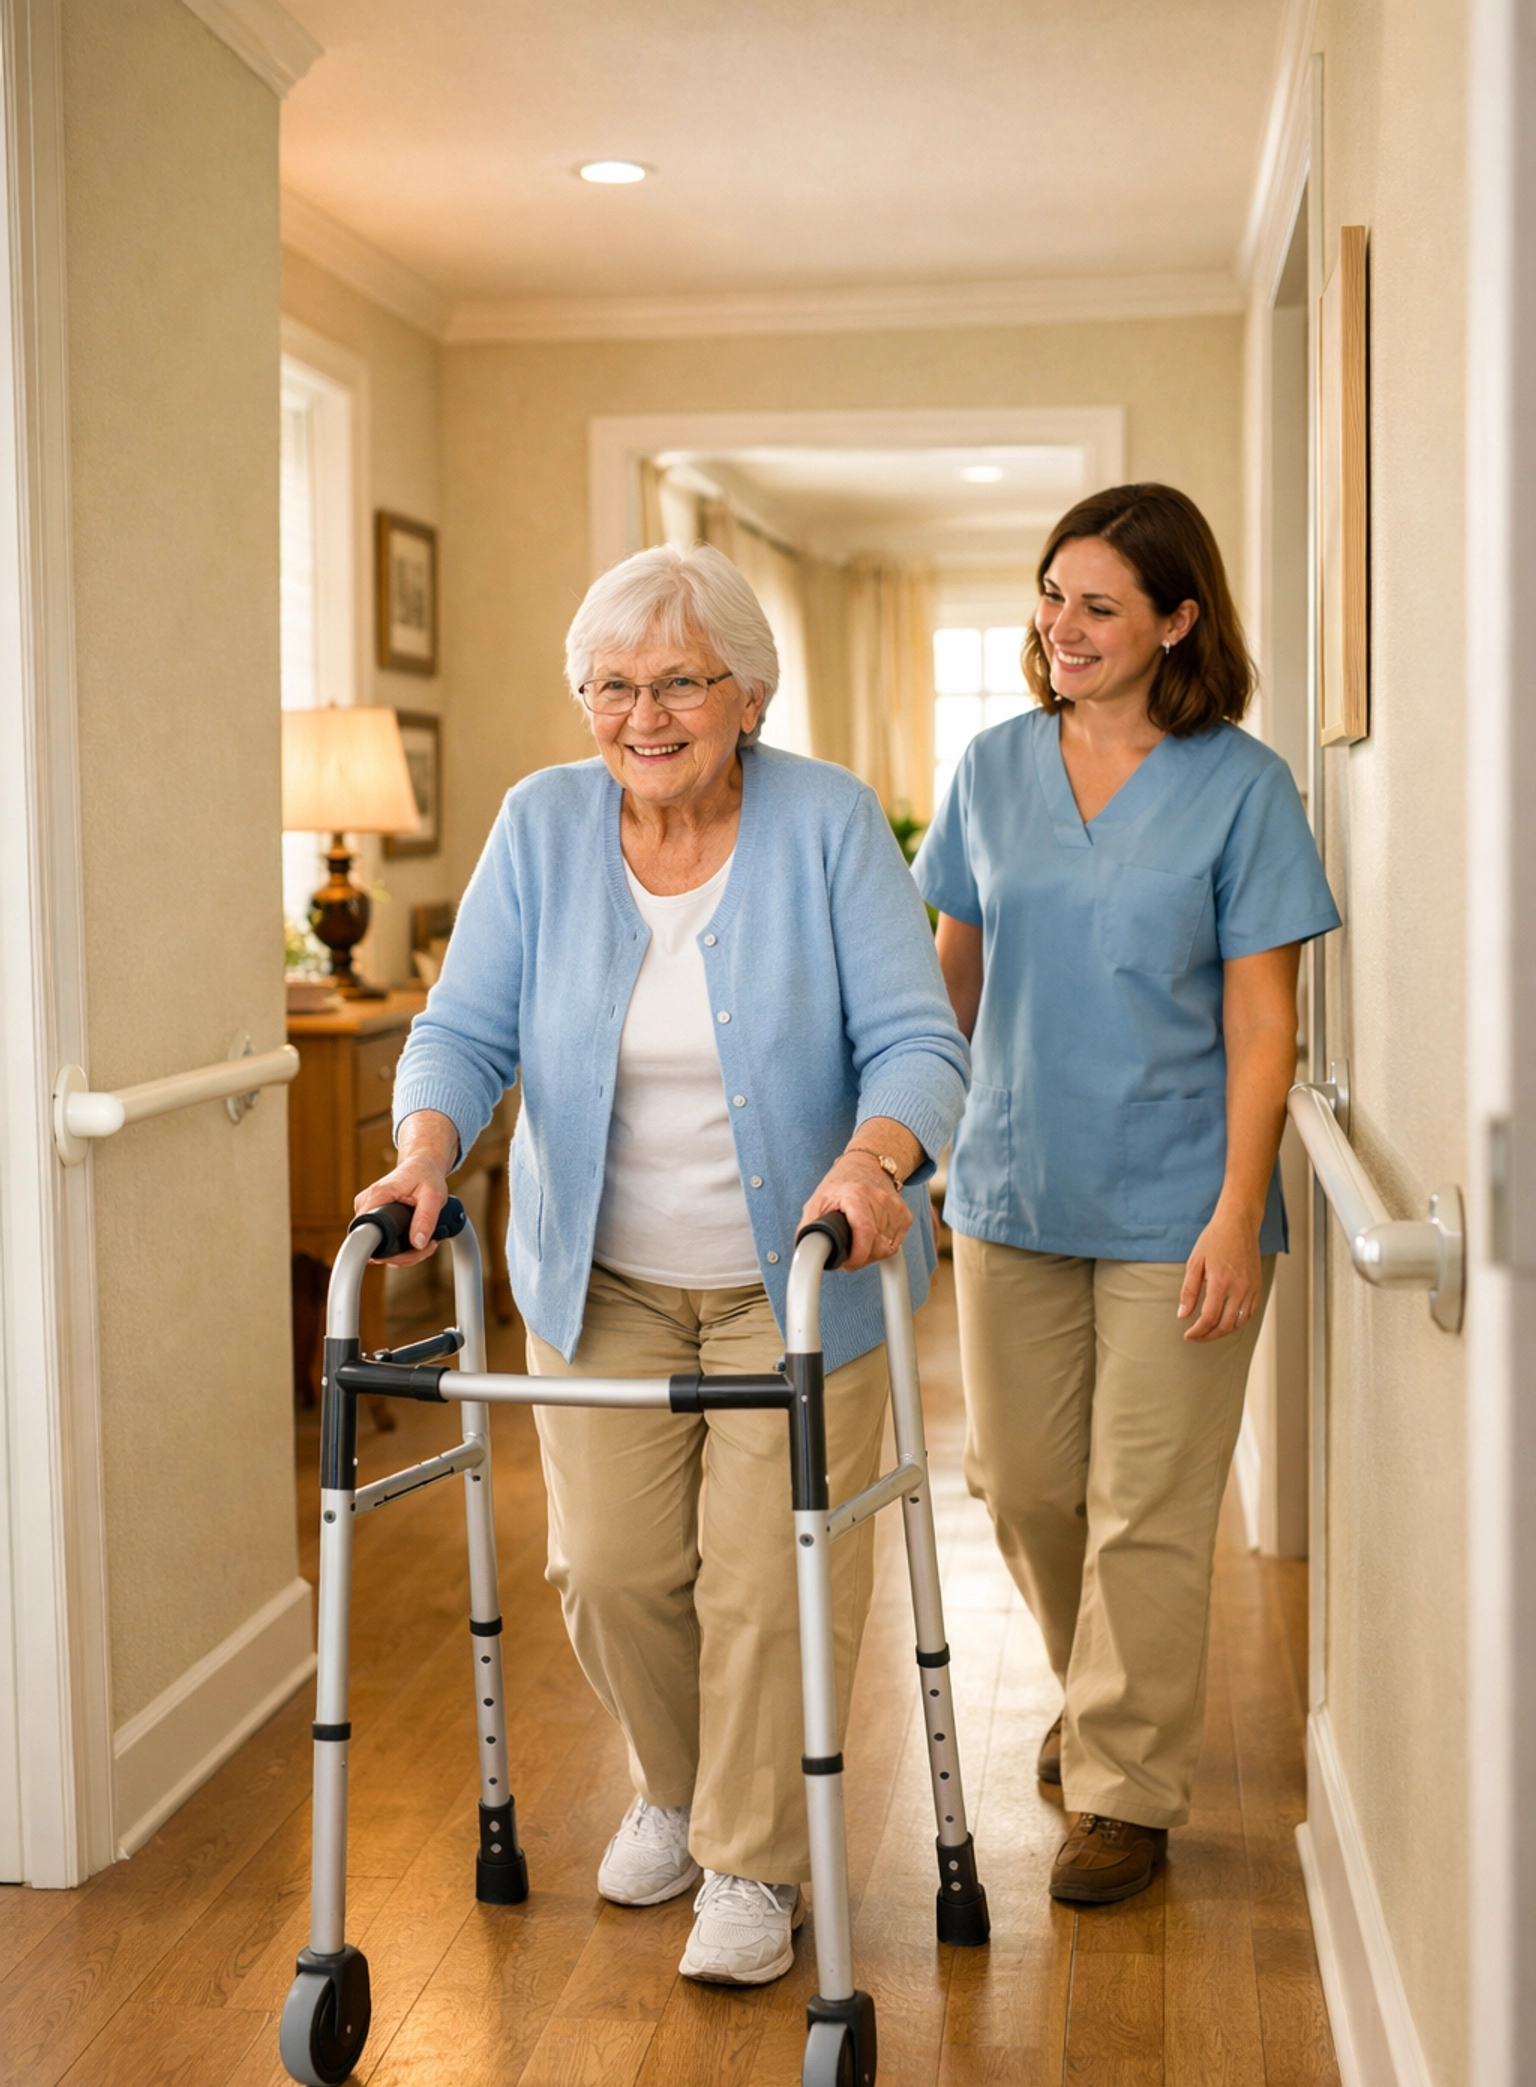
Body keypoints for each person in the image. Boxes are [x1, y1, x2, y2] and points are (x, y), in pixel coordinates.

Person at [358, 543, 969, 1984]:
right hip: (600, 1276)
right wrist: (428, 1146)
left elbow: (917, 1040)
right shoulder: (541, 825)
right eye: (613, 687)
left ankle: (754, 1866)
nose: (647, 715)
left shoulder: (826, 827)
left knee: (769, 1577)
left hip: (800, 1275)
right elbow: (463, 1027)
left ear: (746, 693)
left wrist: (872, 1161)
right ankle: (683, 1790)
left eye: (681, 681)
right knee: (610, 1571)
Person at [914, 482, 1339, 1906]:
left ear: (1178, 620)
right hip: (1012, 1181)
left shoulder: (1242, 785)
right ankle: (1102, 1692)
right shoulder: (989, 768)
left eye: (1100, 605)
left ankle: (1125, 1795)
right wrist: (907, 1138)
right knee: (1026, 1486)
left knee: (1147, 1504)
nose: (1064, 628)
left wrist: (1238, 1208)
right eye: (1052, 596)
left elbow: (1264, 1024)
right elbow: (952, 973)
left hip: (1182, 1200)